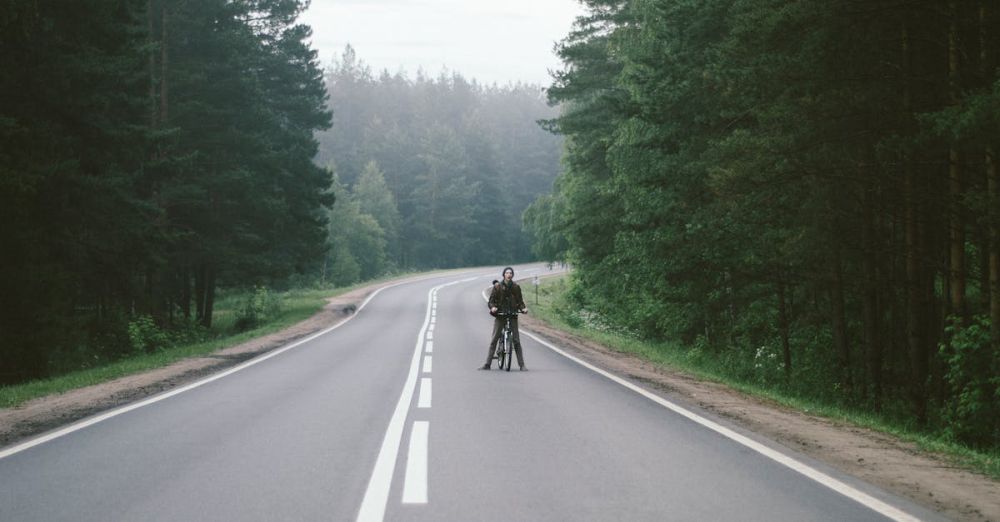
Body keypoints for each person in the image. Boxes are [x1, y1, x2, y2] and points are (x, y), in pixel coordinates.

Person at [480, 267, 528, 370]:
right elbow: (491, 301)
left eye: (511, 273)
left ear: (512, 275)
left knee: (516, 341)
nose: (509, 274)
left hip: (512, 315)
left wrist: (523, 309)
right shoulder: (497, 287)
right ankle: (487, 364)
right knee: (494, 339)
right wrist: (493, 307)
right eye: (507, 273)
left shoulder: (516, 287)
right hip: (500, 314)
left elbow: (520, 301)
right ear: (504, 275)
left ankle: (522, 365)